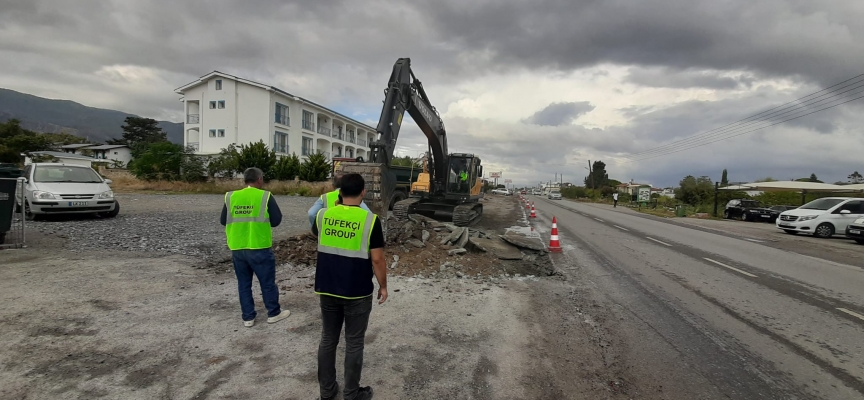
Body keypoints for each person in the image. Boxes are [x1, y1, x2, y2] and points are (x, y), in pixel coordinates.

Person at [312, 173, 387, 400]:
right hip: (357, 291)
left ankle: (327, 392)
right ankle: (351, 394)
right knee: (354, 342)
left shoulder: (323, 215)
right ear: (363, 192)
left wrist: (337, 208)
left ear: (339, 192)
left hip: (327, 287)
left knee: (328, 339)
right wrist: (383, 286)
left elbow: (320, 234)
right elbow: (377, 260)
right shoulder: (370, 220)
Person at [220, 167, 290, 328]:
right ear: (259, 179)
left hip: (238, 247)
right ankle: (273, 313)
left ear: (245, 180)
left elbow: (224, 220)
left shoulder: (231, 196)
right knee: (267, 282)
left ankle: (248, 317)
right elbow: (276, 220)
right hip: (259, 246)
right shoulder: (265, 196)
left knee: (244, 284)